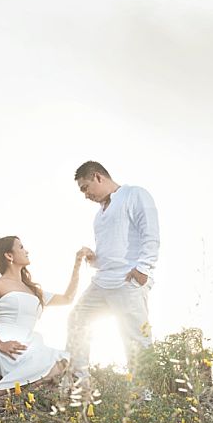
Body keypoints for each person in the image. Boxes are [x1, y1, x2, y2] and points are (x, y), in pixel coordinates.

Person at [67, 161, 160, 394]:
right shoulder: (99, 215)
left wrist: (143, 269)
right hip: (102, 281)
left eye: (86, 188)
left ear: (98, 177)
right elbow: (111, 253)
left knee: (136, 339)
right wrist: (93, 257)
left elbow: (151, 232)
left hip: (128, 281)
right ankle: (80, 383)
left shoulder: (134, 194)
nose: (86, 195)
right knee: (77, 319)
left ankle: (145, 397)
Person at [0, 236, 90, 394]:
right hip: (6, 346)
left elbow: (67, 298)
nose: (26, 251)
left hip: (30, 345)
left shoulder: (33, 290)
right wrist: (0, 344)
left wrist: (77, 264)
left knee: (64, 361)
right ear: (9, 255)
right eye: (20, 247)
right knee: (54, 366)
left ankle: (14, 395)